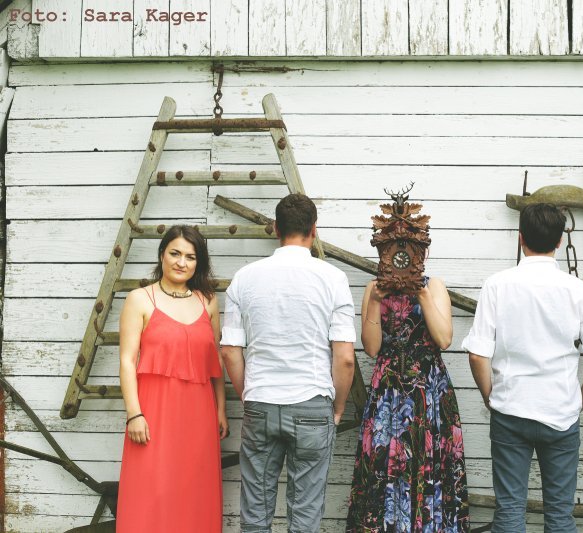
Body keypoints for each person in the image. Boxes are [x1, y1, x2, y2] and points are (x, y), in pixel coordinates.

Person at [464, 203, 583, 533]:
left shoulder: (497, 285)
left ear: (520, 238)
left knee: (509, 511)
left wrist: (491, 397)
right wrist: (578, 401)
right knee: (560, 516)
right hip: (561, 413)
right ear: (560, 241)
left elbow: (477, 356)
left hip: (510, 410)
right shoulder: (580, 291)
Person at [220, 193, 356, 532]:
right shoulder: (333, 278)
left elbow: (230, 351)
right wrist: (338, 408)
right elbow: (344, 358)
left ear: (276, 228)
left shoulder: (244, 278)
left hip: (261, 403)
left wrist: (252, 394)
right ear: (314, 229)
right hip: (312, 403)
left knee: (255, 515)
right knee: (305, 517)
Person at [117, 225, 228, 533]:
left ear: (198, 262)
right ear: (162, 255)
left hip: (200, 415)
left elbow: (216, 360)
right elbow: (127, 360)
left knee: (194, 492)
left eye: (190, 257)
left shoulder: (208, 301)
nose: (181, 262)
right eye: (175, 254)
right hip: (153, 413)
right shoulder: (140, 299)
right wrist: (134, 414)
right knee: (151, 492)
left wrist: (221, 410)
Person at [346, 274, 470, 531]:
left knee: (428, 461)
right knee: (384, 463)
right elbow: (371, 347)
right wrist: (375, 301)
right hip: (388, 393)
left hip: (428, 392)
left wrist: (422, 294)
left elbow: (444, 339)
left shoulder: (433, 286)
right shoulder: (373, 288)